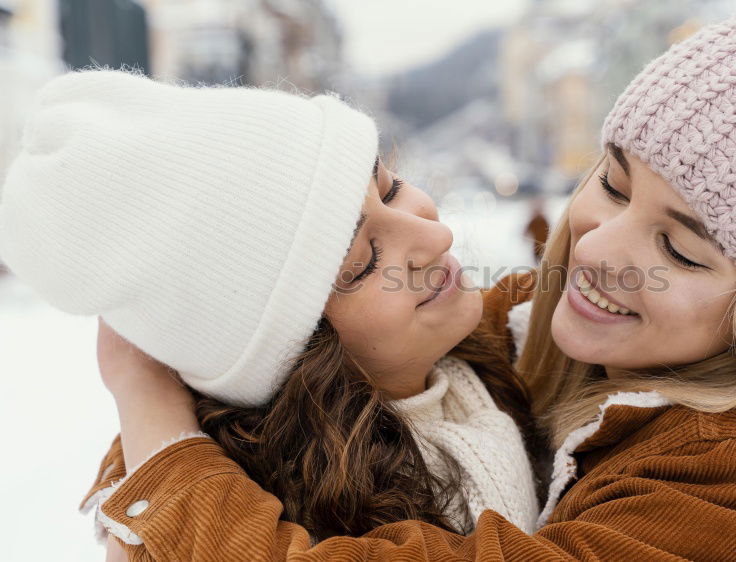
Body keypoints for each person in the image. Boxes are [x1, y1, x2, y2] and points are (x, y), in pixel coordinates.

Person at [68, 0, 736, 559]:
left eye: (682, 250)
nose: (599, 249)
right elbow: (260, 355)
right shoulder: (541, 330)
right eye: (612, 182)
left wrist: (160, 445)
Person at [0, 68, 540, 547]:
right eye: (363, 262)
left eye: (391, 187)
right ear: (301, 359)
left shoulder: (505, 356)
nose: (435, 231)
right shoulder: (303, 523)